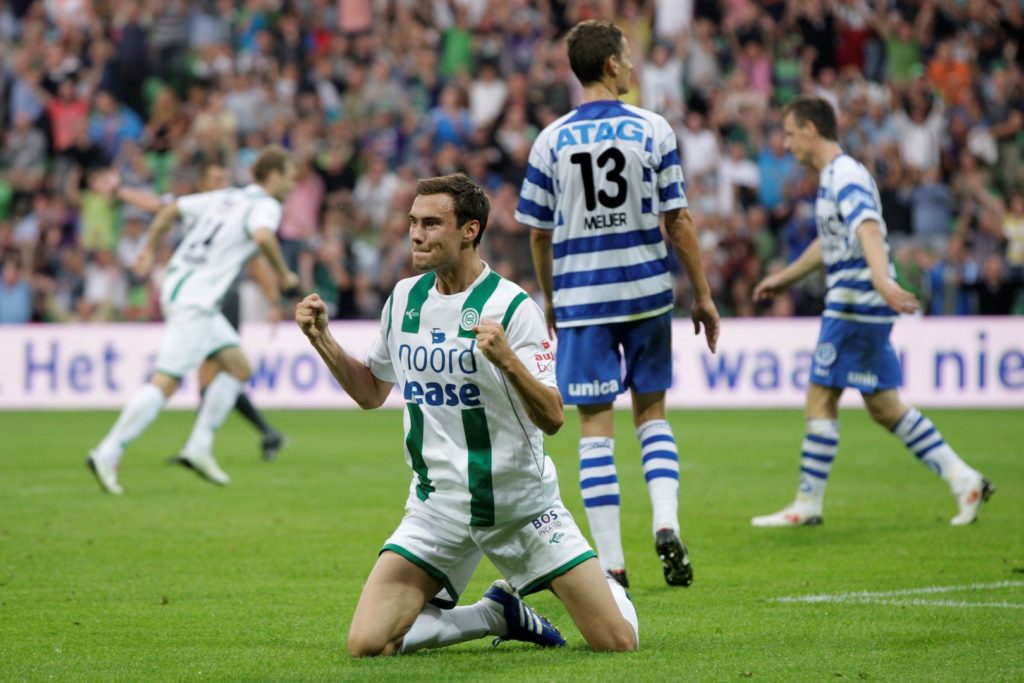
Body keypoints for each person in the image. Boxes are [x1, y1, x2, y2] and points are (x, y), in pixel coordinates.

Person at [296, 173, 638, 655]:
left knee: (617, 642)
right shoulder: (404, 299)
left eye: (431, 223)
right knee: (368, 644)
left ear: (469, 230)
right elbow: (371, 392)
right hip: (438, 508)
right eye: (413, 222)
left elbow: (553, 417)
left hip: (520, 506)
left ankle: (607, 587)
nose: (416, 234)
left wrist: (508, 361)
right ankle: (494, 613)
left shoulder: (513, 307)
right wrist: (323, 341)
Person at [515, 20, 720, 589]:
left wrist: (551, 297)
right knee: (652, 413)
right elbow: (678, 219)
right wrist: (702, 294)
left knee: (594, 427)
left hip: (583, 299)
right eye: (627, 57)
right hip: (647, 291)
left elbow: (538, 232)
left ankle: (611, 563)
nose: (632, 65)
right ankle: (666, 522)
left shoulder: (550, 140)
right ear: (610, 64)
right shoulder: (653, 129)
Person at [750, 97, 994, 527]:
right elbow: (831, 242)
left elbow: (868, 228)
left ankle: (808, 503)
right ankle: (964, 479)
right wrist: (785, 278)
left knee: (820, 396)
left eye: (789, 134)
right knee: (883, 406)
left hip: (855, 301)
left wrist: (881, 280)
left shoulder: (844, 174)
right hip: (861, 301)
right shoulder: (833, 176)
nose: (786, 144)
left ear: (810, 129)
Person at [87, 146, 300, 495]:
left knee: (238, 367)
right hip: (196, 300)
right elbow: (263, 236)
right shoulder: (266, 205)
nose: (292, 185)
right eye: (290, 178)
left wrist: (148, 249)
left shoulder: (227, 197)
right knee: (166, 382)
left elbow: (169, 210)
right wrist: (285, 274)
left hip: (180, 286)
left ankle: (199, 446)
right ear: (274, 176)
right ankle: (108, 452)